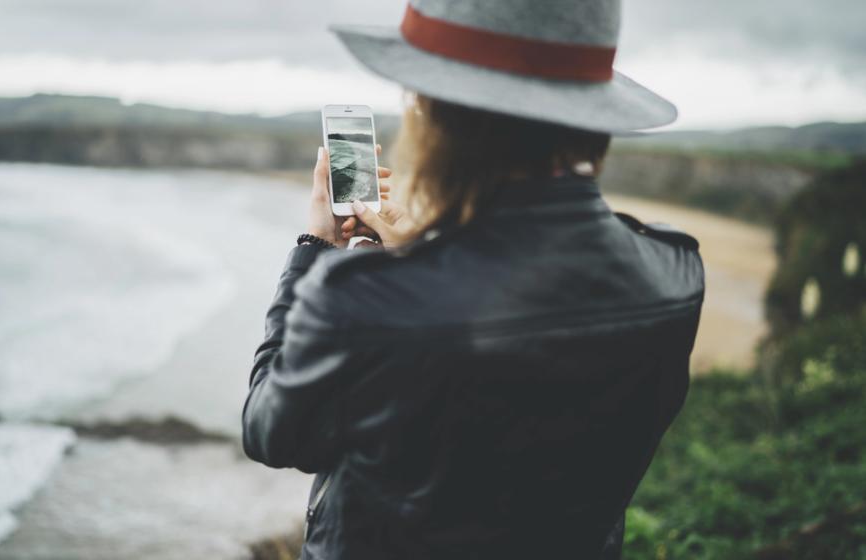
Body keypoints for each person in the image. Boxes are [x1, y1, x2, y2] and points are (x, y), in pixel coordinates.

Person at [242, 1, 704, 558]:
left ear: (439, 115)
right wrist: (428, 256)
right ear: (591, 118)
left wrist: (314, 251)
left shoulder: (362, 299)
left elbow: (271, 431)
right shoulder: (674, 272)